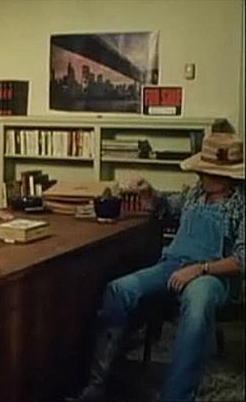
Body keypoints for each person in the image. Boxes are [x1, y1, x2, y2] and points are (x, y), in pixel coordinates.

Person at [73, 132, 244, 401]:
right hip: (173, 264)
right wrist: (148, 192)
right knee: (119, 290)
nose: (205, 177)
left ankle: (176, 395)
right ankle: (98, 384)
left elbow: (241, 259)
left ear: (229, 176)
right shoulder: (194, 193)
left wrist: (200, 269)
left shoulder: (241, 204)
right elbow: (165, 206)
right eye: (204, 171)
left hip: (213, 275)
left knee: (197, 304)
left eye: (213, 173)